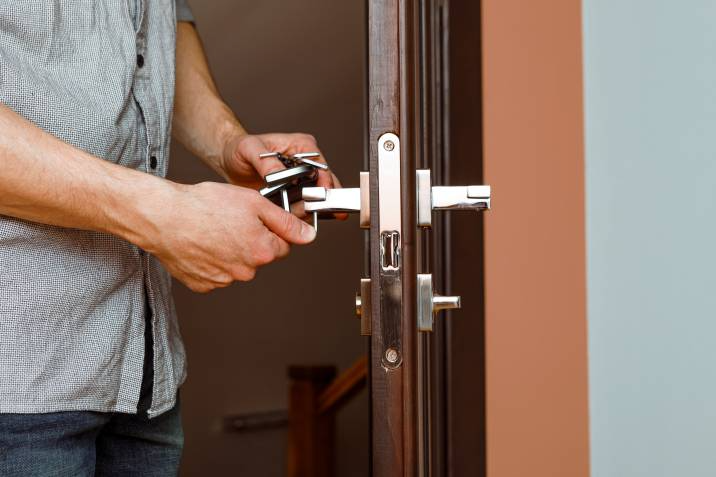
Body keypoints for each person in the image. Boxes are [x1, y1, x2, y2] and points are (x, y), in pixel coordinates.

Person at [0, 2, 341, 475]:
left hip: (145, 376)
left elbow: (157, 28)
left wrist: (225, 141)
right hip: (16, 381)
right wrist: (161, 214)